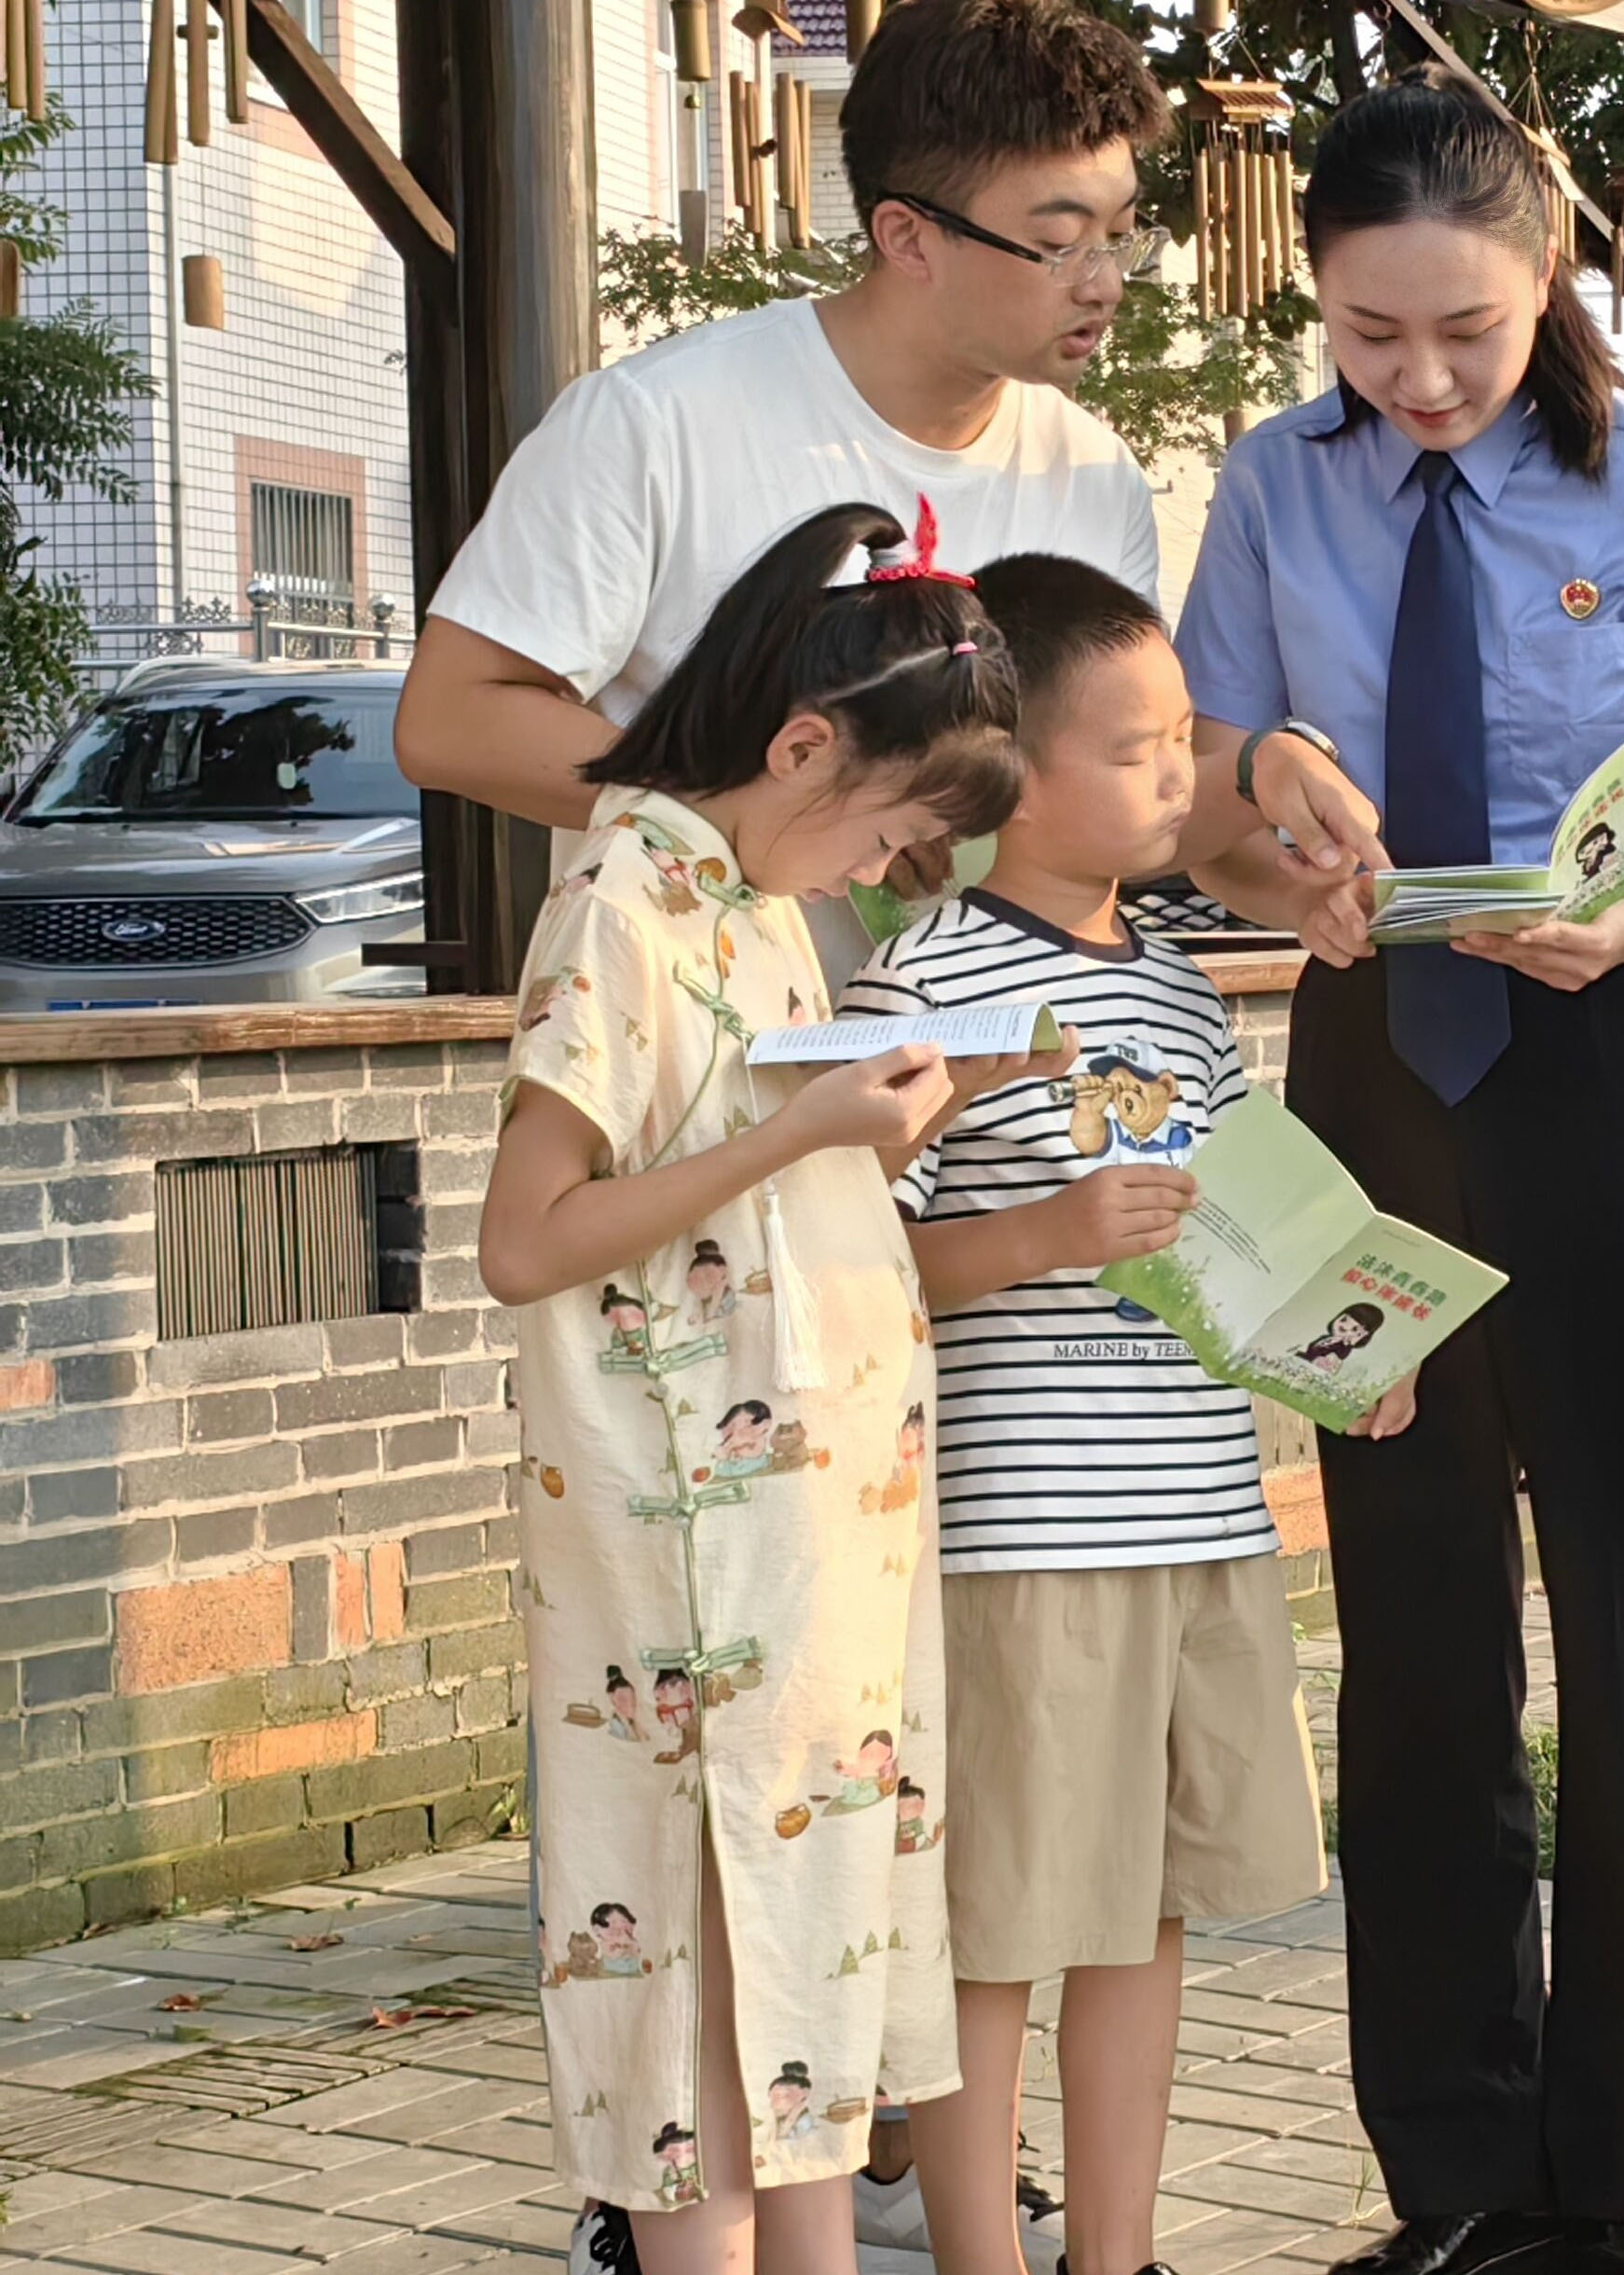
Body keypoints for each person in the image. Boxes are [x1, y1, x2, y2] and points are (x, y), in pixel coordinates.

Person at [1168, 66, 1624, 2275]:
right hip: (1382, 1051)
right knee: (1418, 1612)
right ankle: (1449, 2161)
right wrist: (1275, 839)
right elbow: (1195, 807)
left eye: (1460, 327)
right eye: (1369, 334)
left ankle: (1621, 2171)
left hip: (1620, 1044)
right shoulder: (1274, 491)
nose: (1422, 377)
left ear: (1544, 276)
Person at [478, 501, 1022, 2275]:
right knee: (702, 1973)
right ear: (801, 744)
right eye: (885, 819)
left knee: (806, 1953)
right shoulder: (620, 898)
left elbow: (765, 1158)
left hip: (811, 1539)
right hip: (690, 1551)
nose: (881, 863)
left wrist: (861, 1124)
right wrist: (801, 1131)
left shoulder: (759, 903)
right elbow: (527, 1236)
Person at [842, 552, 1366, 2275]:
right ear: (1007, 762)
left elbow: (1242, 1247)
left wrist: (1353, 1348)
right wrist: (1049, 1236)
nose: (1177, 778)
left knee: (1146, 1918)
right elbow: (844, 1268)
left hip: (1200, 1520)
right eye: (1137, 748)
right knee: (1001, 1931)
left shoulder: (1180, 987)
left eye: (1182, 741)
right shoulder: (919, 981)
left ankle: (1115, 2255)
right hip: (1024, 1541)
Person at [398, 0, 1174, 993]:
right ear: (906, 235)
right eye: (1062, 243)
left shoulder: (1094, 476)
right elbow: (451, 719)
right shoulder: (656, 422)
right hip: (720, 1079)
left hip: (993, 1087)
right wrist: (783, 799)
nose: (1105, 283)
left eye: (1121, 236)